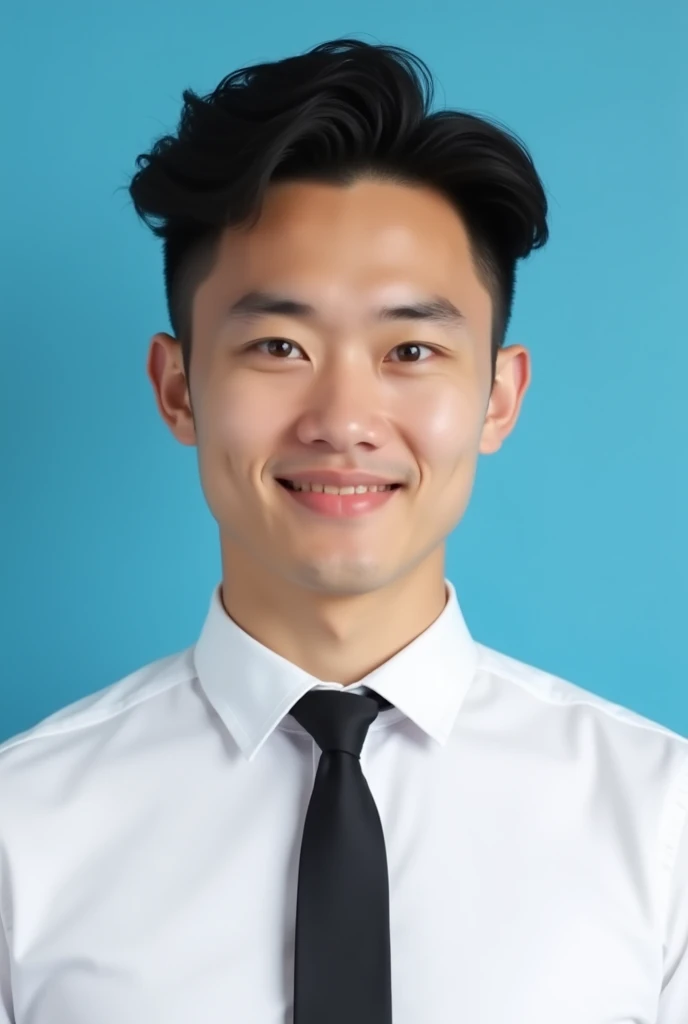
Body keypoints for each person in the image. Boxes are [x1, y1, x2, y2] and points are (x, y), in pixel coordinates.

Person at [0, 36, 686, 1024]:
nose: (342, 417)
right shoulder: (25, 830)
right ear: (178, 386)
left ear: (497, 398)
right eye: (278, 344)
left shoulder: (663, 825)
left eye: (410, 347)